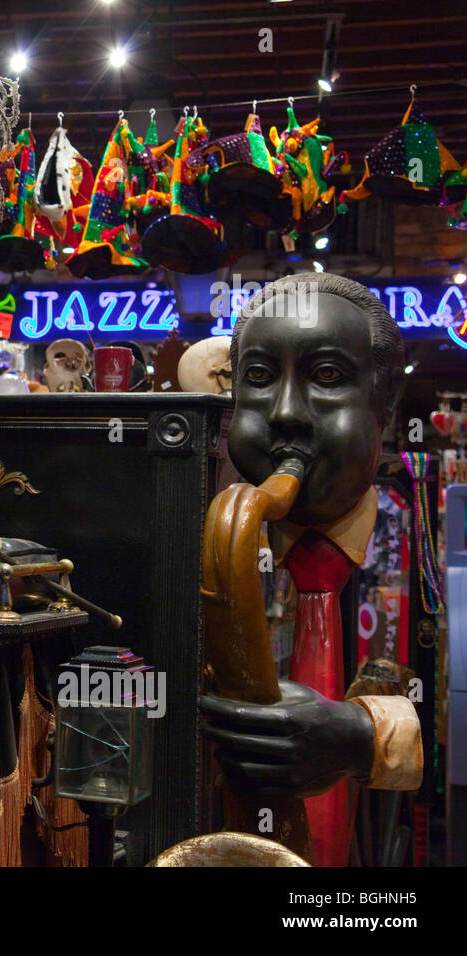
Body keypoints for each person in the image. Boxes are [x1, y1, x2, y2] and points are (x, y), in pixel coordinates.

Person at [200, 272, 421, 866]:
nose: (286, 414)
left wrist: (365, 737)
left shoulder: (435, 533)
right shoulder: (196, 530)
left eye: (326, 378)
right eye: (260, 379)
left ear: (387, 405)